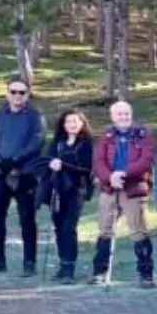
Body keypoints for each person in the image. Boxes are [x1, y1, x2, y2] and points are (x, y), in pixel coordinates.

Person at [0, 75, 46, 276]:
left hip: (24, 174)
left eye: (22, 92)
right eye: (13, 92)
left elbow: (37, 142)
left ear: (28, 95)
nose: (17, 96)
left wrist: (16, 159)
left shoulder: (35, 117)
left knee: (27, 219)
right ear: (7, 94)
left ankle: (29, 262)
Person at [91, 101, 157, 287]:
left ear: (131, 114)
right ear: (113, 116)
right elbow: (99, 160)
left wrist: (125, 173)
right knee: (105, 229)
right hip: (109, 187)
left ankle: (145, 274)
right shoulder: (107, 136)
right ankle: (100, 272)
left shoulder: (143, 135)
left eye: (126, 113)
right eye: (119, 114)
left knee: (138, 230)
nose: (123, 117)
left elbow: (146, 160)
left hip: (133, 188)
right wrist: (110, 176)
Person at [42, 110, 94, 283]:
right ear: (63, 125)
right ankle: (62, 264)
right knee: (58, 227)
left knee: (69, 228)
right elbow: (45, 161)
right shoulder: (57, 143)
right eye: (68, 122)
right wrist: (51, 163)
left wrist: (63, 164)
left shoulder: (86, 144)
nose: (72, 125)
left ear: (82, 123)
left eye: (75, 121)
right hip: (57, 189)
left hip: (76, 189)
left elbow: (87, 167)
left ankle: (69, 268)